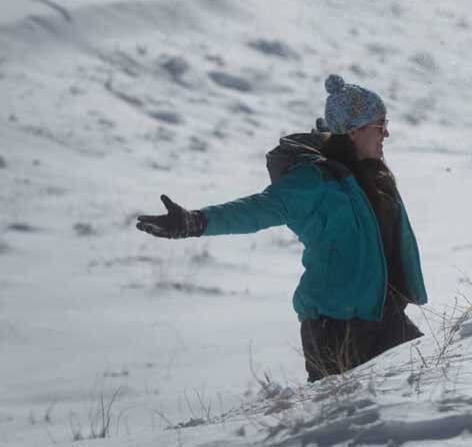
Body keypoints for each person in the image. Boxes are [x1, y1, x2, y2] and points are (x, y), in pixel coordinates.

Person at [136, 74, 428, 381]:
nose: (387, 134)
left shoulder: (371, 175)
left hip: (384, 317)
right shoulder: (315, 181)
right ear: (355, 132)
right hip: (337, 327)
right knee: (341, 421)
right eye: (380, 126)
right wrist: (195, 222)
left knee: (422, 383)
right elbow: (258, 209)